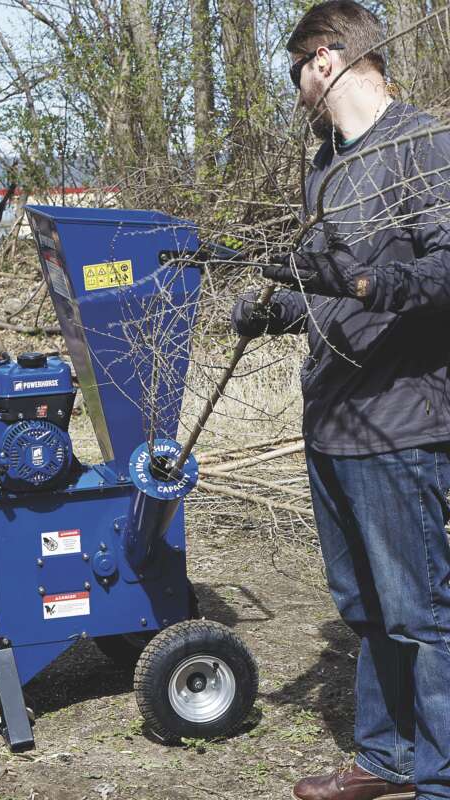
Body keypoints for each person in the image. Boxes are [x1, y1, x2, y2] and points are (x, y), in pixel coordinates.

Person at [231, 3, 450, 799]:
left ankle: (441, 777)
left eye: (296, 69)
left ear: (324, 61)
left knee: (421, 613)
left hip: (400, 420)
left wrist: (357, 277)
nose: (293, 86)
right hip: (329, 422)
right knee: (364, 607)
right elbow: (332, 300)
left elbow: (443, 274)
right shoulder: (325, 162)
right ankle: (386, 758)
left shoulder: (424, 147)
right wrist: (277, 309)